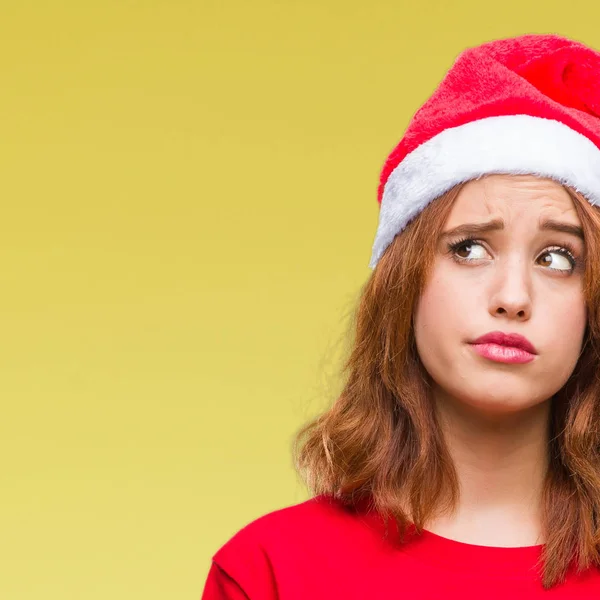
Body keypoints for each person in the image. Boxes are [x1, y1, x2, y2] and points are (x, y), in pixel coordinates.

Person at [201, 33, 600, 598]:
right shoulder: (272, 570)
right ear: (403, 285)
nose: (513, 296)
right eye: (468, 248)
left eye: (558, 258)